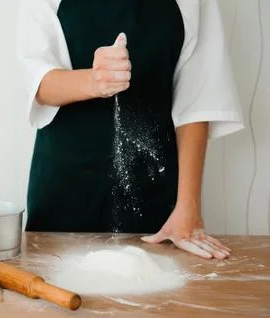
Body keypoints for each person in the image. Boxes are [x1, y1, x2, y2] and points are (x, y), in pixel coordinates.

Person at [16, 0, 244, 259]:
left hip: (155, 199)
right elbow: (38, 83)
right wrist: (94, 80)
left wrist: (188, 208)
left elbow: (198, 103)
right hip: (64, 189)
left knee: (159, 289)